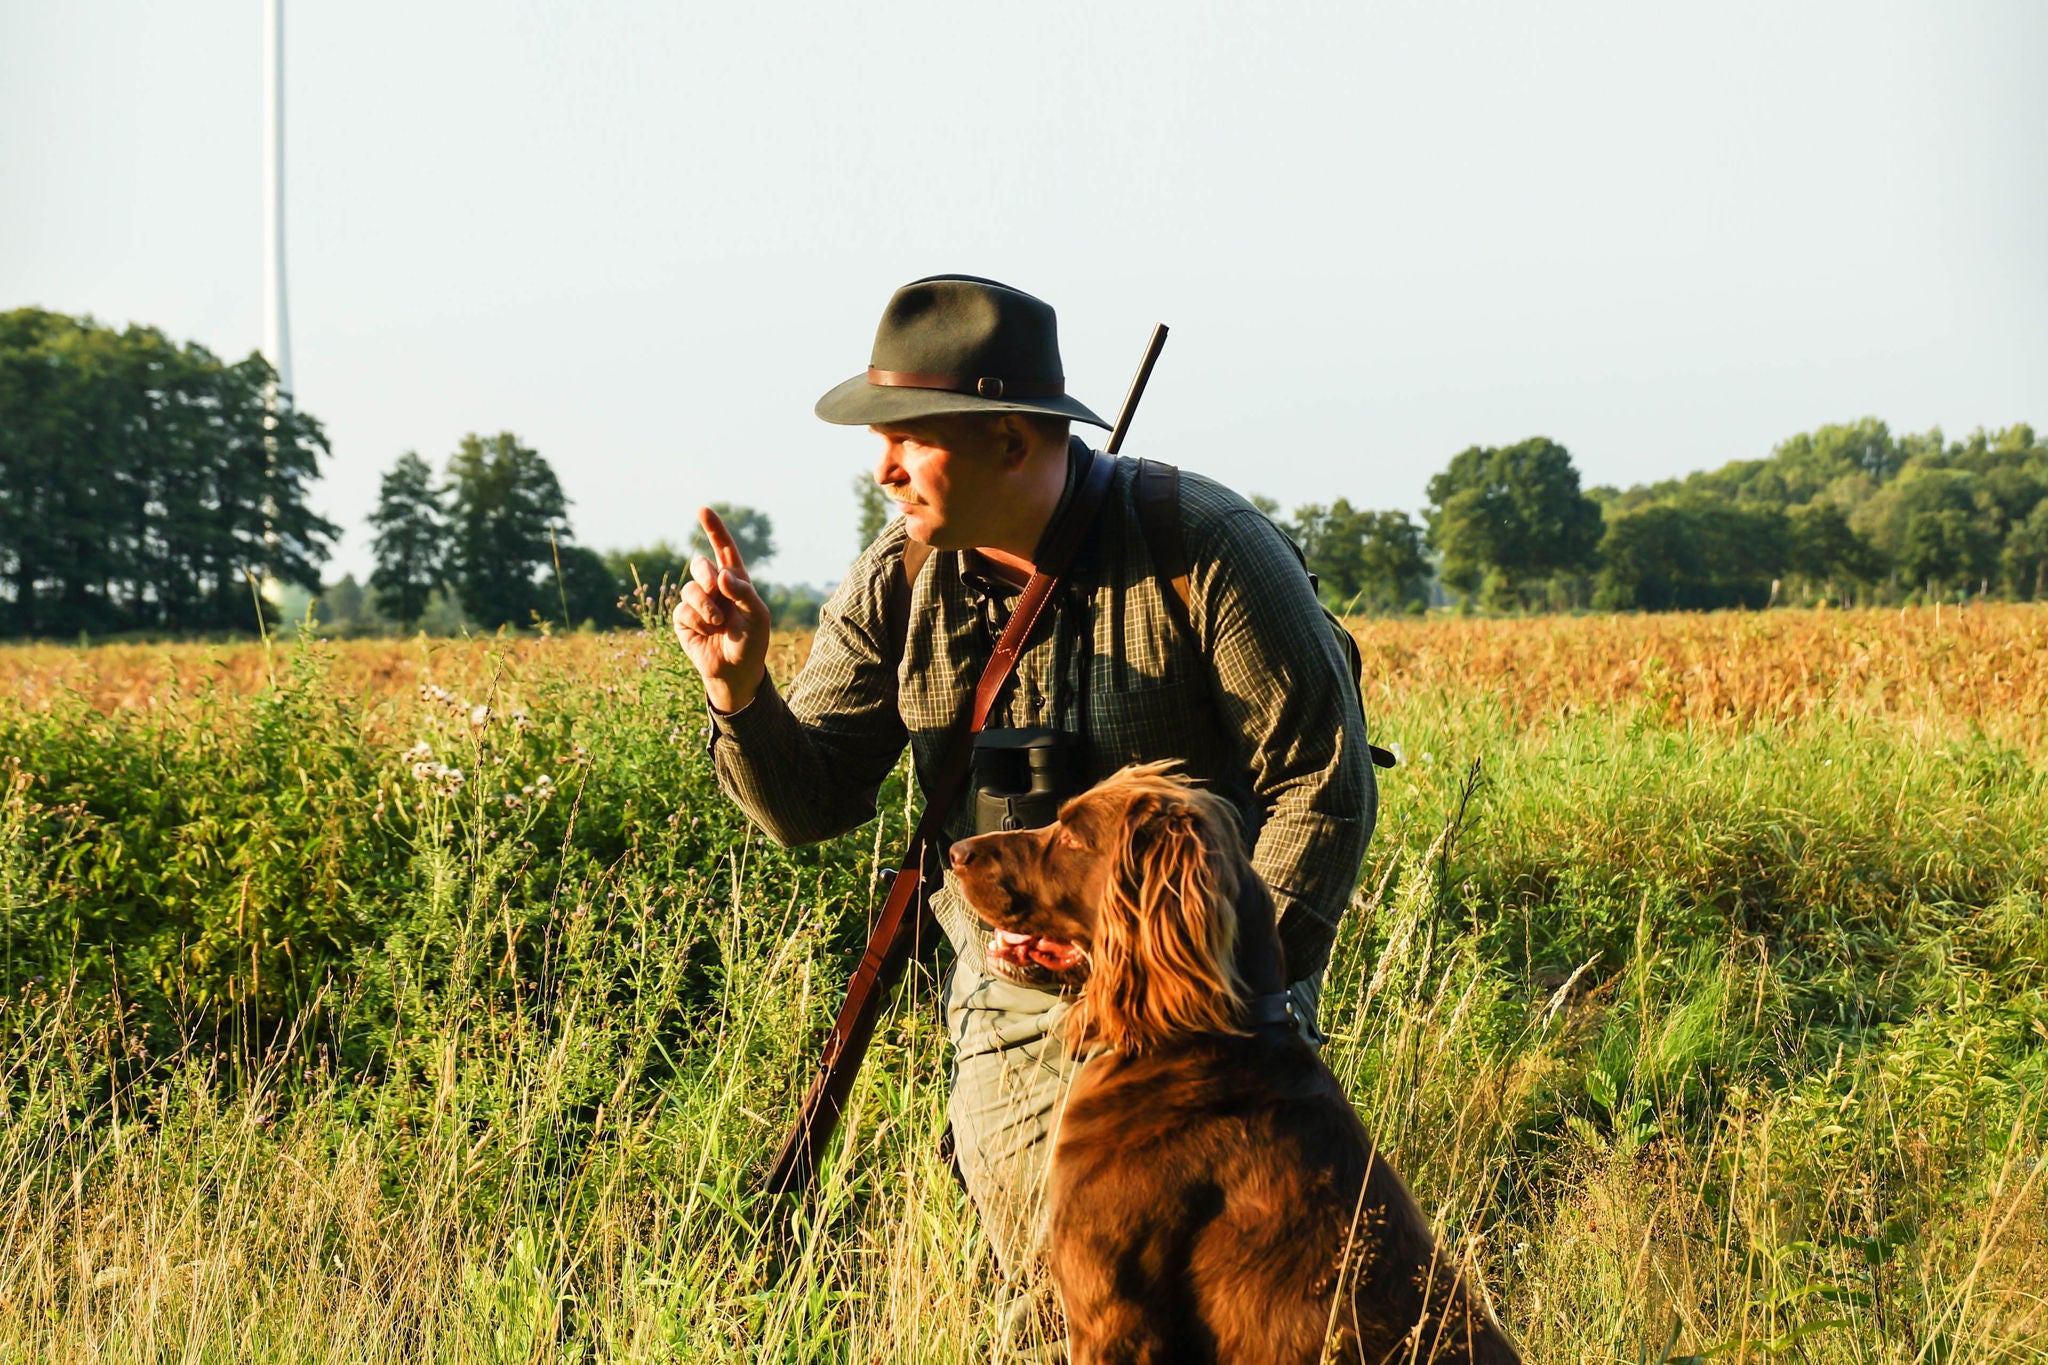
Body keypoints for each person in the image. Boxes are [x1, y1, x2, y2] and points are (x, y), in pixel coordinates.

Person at [674, 274, 1376, 1340]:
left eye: (910, 435)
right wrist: (738, 688)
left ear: (1010, 440)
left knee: (1251, 1317)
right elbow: (809, 803)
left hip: (1205, 1014)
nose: (884, 468)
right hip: (1012, 1014)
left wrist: (1226, 986)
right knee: (1067, 1310)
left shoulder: (1207, 549)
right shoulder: (893, 584)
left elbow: (1319, 785)